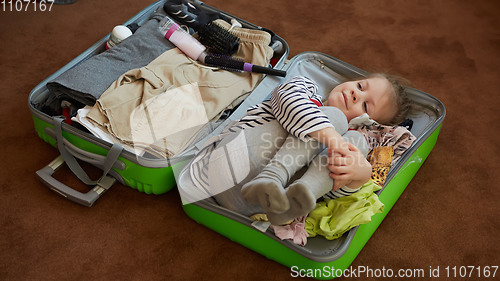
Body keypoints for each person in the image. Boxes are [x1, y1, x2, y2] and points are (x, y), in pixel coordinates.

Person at [188, 75, 411, 225]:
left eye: (364, 105)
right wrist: (333, 138)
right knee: (334, 117)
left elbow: (333, 192)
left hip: (260, 209)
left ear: (365, 120)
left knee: (356, 145)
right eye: (360, 86)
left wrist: (358, 177)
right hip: (226, 163)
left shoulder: (352, 136)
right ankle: (273, 175)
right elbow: (288, 101)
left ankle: (299, 198)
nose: (356, 94)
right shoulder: (305, 87)